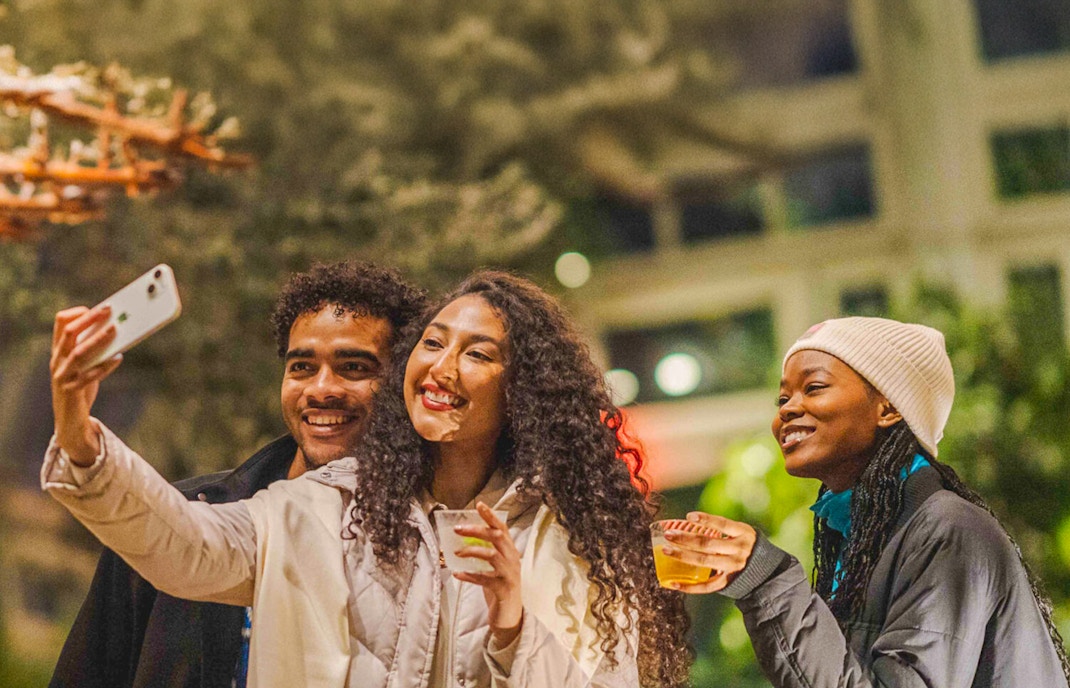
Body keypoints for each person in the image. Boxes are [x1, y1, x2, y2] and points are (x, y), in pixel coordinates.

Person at [43, 270, 692, 688]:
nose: (442, 367)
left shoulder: (584, 544)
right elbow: (188, 547)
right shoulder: (333, 503)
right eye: (433, 343)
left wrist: (513, 628)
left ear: (525, 391)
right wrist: (78, 431)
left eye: (477, 353)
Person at [48, 260, 426, 688]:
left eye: (354, 367)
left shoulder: (422, 544)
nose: (321, 389)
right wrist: (76, 433)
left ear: (403, 383)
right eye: (301, 367)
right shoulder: (168, 515)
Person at [659, 316, 1070, 687]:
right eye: (782, 399)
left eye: (814, 388)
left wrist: (769, 580)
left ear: (888, 407)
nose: (788, 410)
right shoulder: (866, 538)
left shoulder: (948, 530)